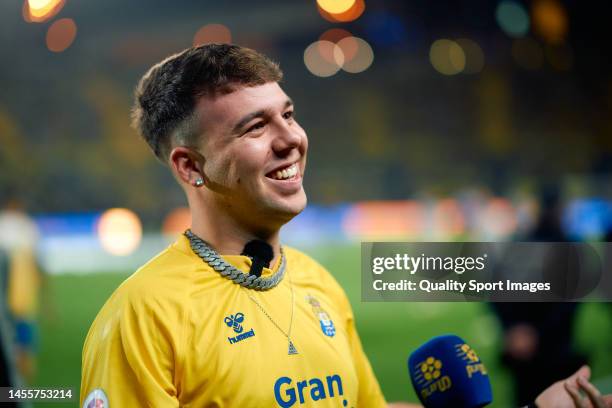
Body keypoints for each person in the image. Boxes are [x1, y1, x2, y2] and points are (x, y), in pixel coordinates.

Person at [80, 44, 611, 408]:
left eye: (287, 114)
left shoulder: (316, 284)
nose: (290, 139)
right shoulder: (142, 317)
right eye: (255, 127)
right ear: (190, 166)